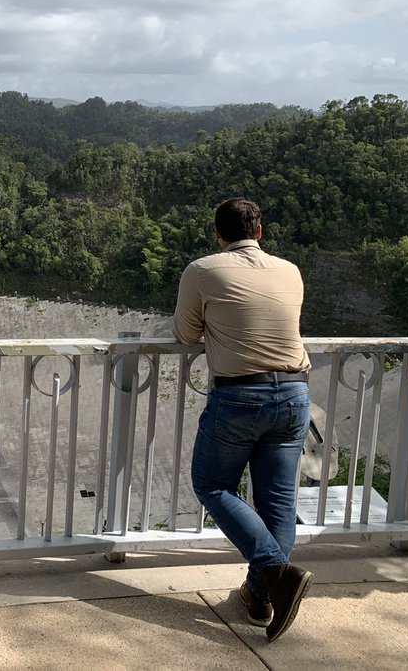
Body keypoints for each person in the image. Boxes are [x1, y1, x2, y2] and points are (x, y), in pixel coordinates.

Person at [173, 197, 313, 642]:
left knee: (212, 486)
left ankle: (275, 573)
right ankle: (260, 598)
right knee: (278, 504)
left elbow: (184, 333)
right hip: (294, 395)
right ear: (260, 232)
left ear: (218, 234)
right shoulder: (290, 270)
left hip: (240, 396)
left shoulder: (202, 270)